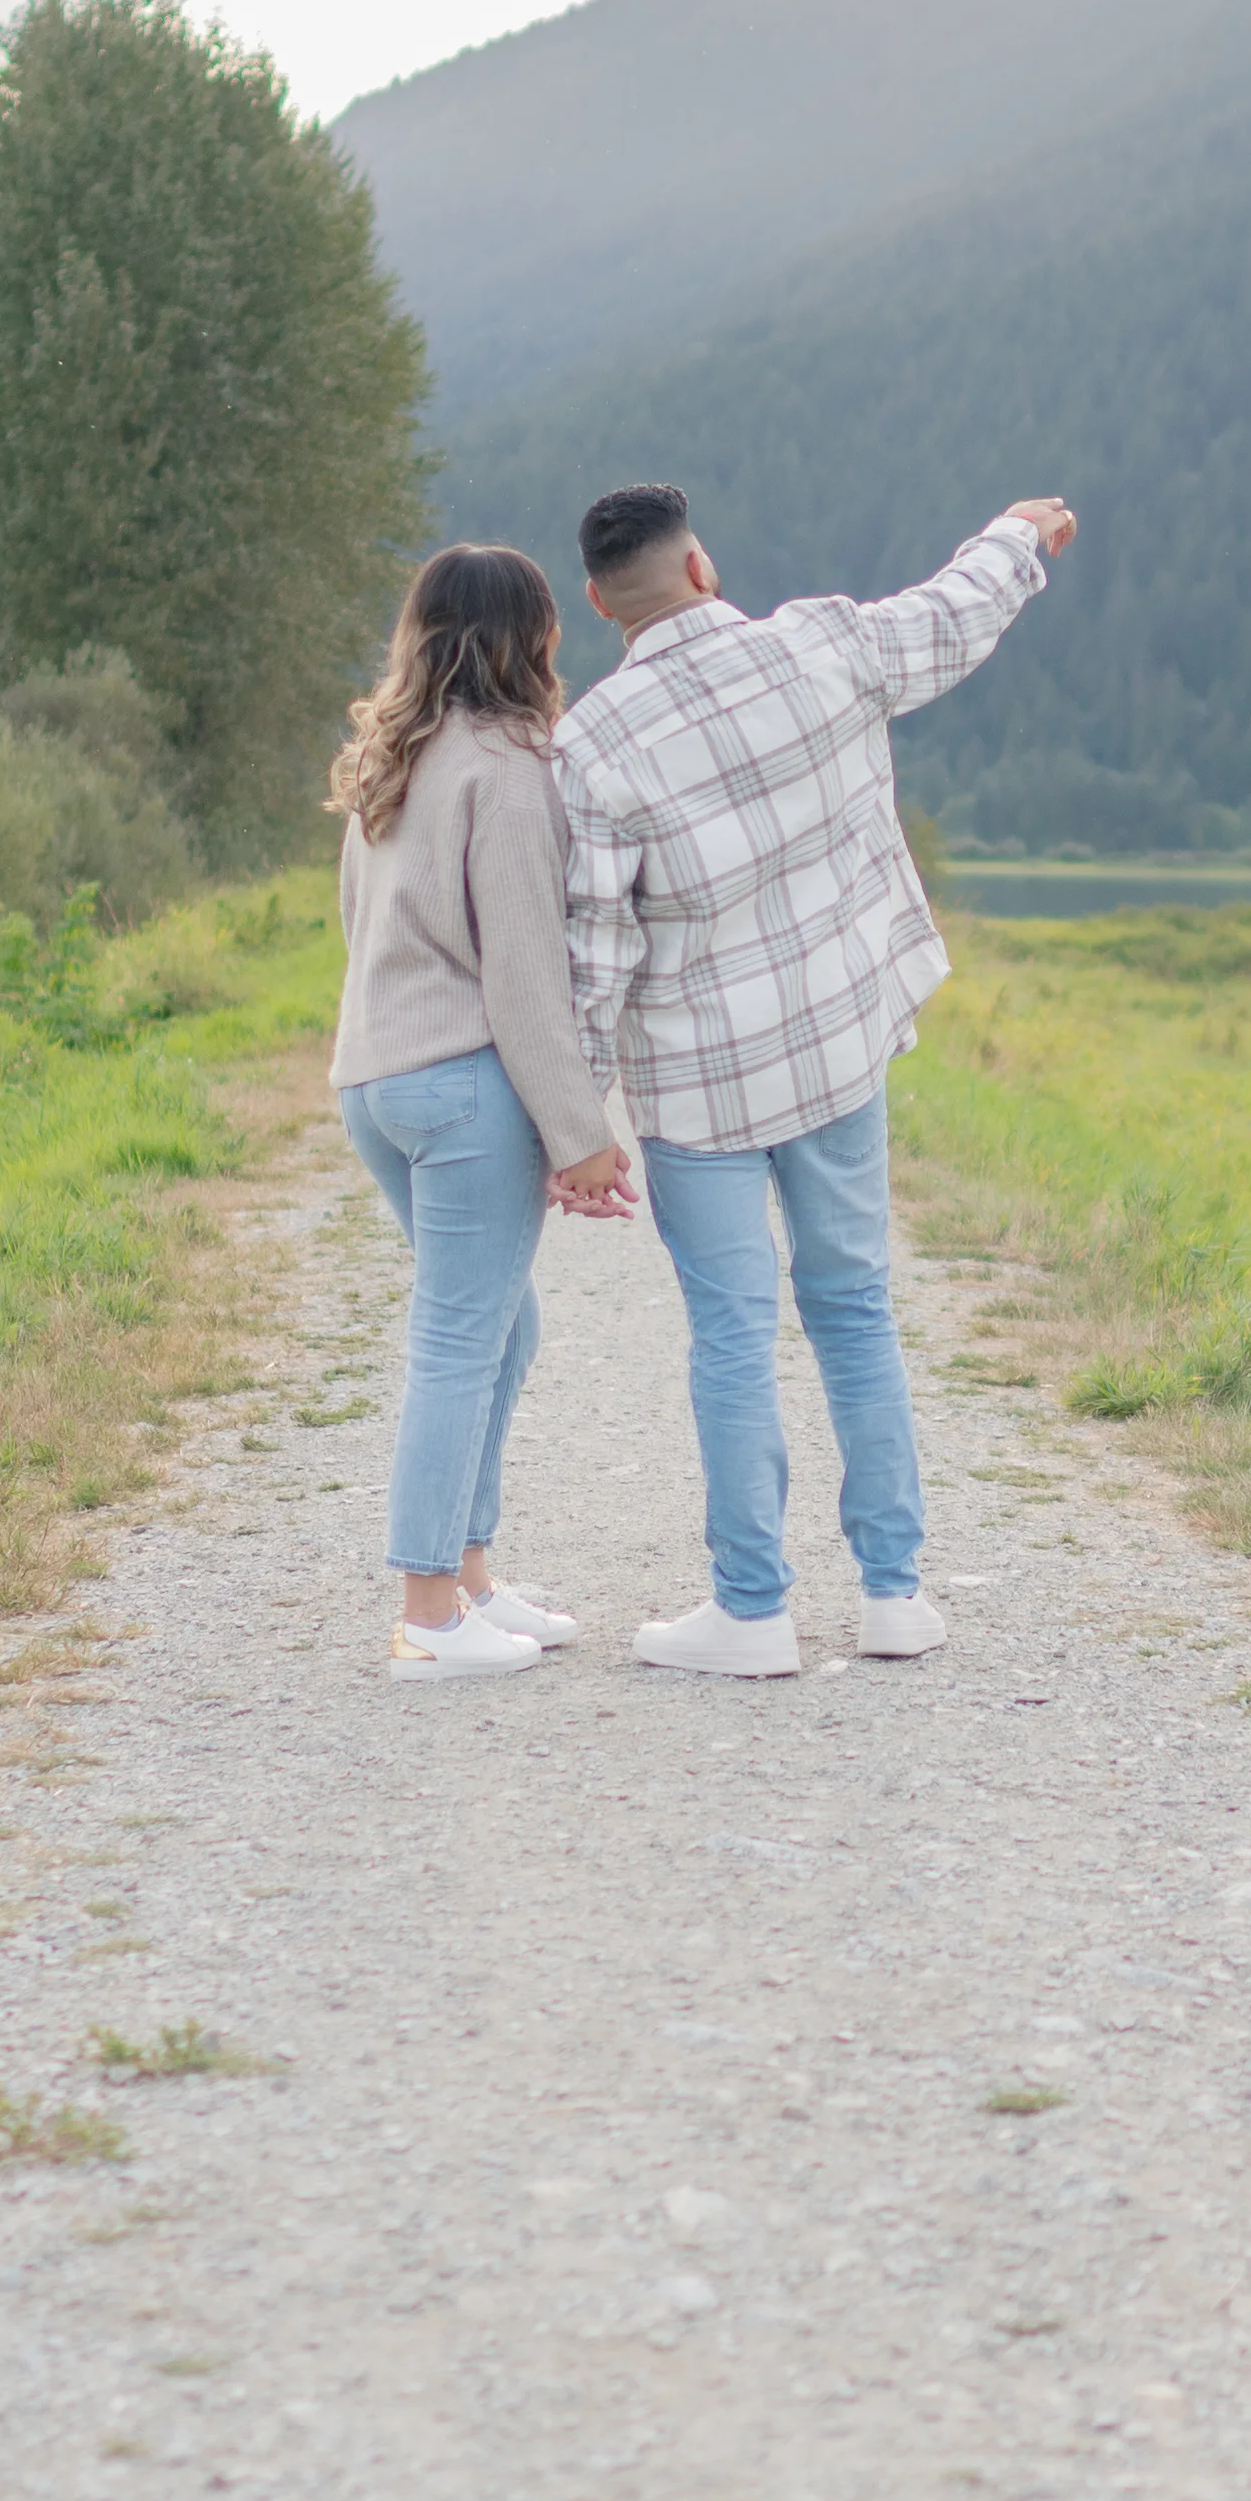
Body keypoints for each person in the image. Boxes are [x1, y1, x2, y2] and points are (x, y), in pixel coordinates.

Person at [557, 479, 1077, 1677]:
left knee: (730, 1337)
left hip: (699, 1088)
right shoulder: (821, 641)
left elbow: (596, 948)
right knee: (852, 1307)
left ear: (599, 604)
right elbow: (952, 614)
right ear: (702, 568)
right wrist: (1017, 534)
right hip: (840, 1048)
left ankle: (751, 1612)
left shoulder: (591, 742)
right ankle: (894, 1594)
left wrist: (577, 1121)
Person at [323, 542, 637, 1679]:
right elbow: (520, 977)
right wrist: (581, 1135)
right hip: (462, 1083)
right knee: (460, 1341)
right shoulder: (508, 766)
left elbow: (366, 938)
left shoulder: (387, 762)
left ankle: (469, 1582)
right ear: (534, 638)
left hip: (374, 1078)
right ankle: (427, 1617)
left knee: (506, 1326)